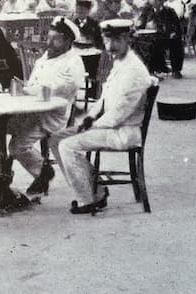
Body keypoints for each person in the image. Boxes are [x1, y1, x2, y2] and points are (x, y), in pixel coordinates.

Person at [0, 16, 86, 203]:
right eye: (48, 37)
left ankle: (43, 171)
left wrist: (28, 89)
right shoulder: (45, 58)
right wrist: (22, 87)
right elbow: (32, 85)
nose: (48, 42)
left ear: (67, 41)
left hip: (49, 116)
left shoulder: (73, 62)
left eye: (55, 39)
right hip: (27, 111)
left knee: (16, 147)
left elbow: (56, 90)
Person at [49, 19, 155, 214]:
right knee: (55, 139)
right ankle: (94, 189)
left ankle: (88, 199)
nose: (110, 47)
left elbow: (118, 115)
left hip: (123, 131)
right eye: (107, 41)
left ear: (127, 40)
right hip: (110, 125)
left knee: (67, 145)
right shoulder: (121, 63)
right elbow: (105, 98)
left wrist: (90, 126)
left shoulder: (133, 70)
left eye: (116, 41)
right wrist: (89, 118)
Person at [136, 0, 183, 78]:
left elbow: (177, 25)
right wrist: (139, 25)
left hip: (166, 37)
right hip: (150, 37)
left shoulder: (169, 11)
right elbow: (141, 21)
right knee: (147, 44)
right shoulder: (147, 10)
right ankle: (151, 71)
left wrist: (174, 33)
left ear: (162, 1)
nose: (154, 2)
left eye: (156, 0)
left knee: (177, 43)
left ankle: (176, 70)